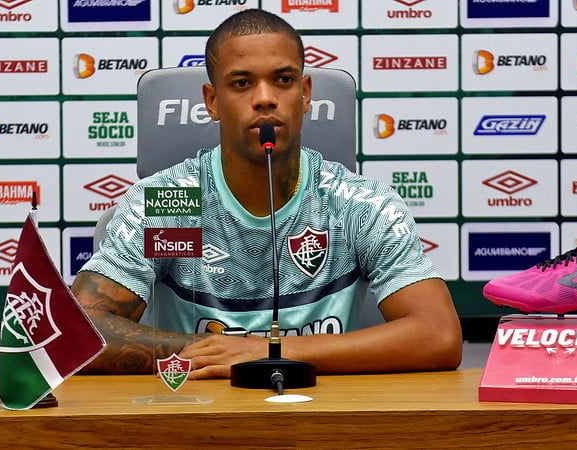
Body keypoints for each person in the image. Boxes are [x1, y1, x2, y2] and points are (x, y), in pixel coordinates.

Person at [72, 8, 462, 378]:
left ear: (306, 93)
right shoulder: (172, 203)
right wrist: (211, 353)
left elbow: (439, 335)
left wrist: (266, 354)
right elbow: (77, 331)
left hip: (321, 416)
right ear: (212, 102)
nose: (264, 98)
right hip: (202, 417)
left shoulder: (357, 206)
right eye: (241, 83)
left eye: (284, 80)